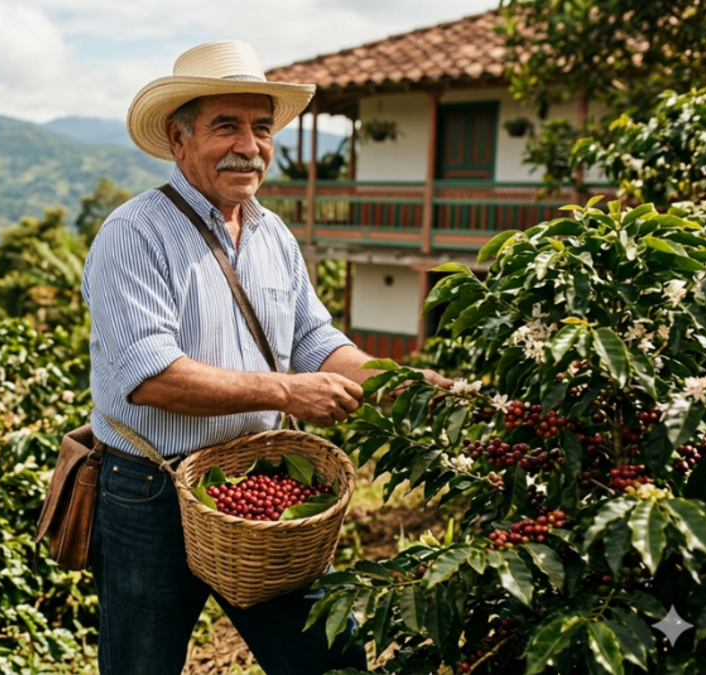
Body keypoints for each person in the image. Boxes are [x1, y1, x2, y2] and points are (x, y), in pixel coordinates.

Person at [81, 40, 452, 675]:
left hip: (262, 488)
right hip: (150, 491)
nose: (248, 145)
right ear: (178, 138)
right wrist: (285, 393)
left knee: (328, 657)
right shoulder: (134, 234)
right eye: (226, 125)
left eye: (261, 128)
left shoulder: (271, 233)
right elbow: (150, 378)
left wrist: (407, 384)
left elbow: (315, 341)